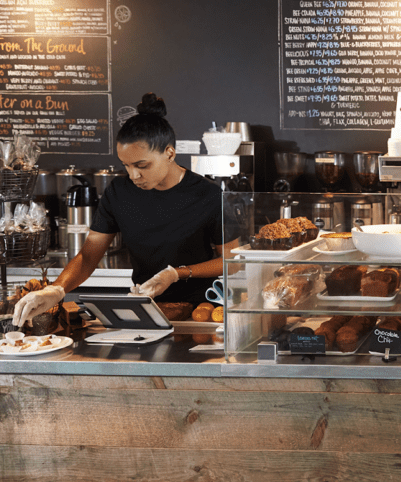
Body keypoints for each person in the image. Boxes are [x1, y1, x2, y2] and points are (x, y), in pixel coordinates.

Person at [13, 93, 238, 327]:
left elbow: (231, 261)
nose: (133, 175)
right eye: (126, 165)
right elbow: (88, 257)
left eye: (142, 165)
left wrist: (175, 273)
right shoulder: (119, 192)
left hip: (200, 311)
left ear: (170, 153)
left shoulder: (207, 195)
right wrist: (56, 290)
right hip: (145, 308)